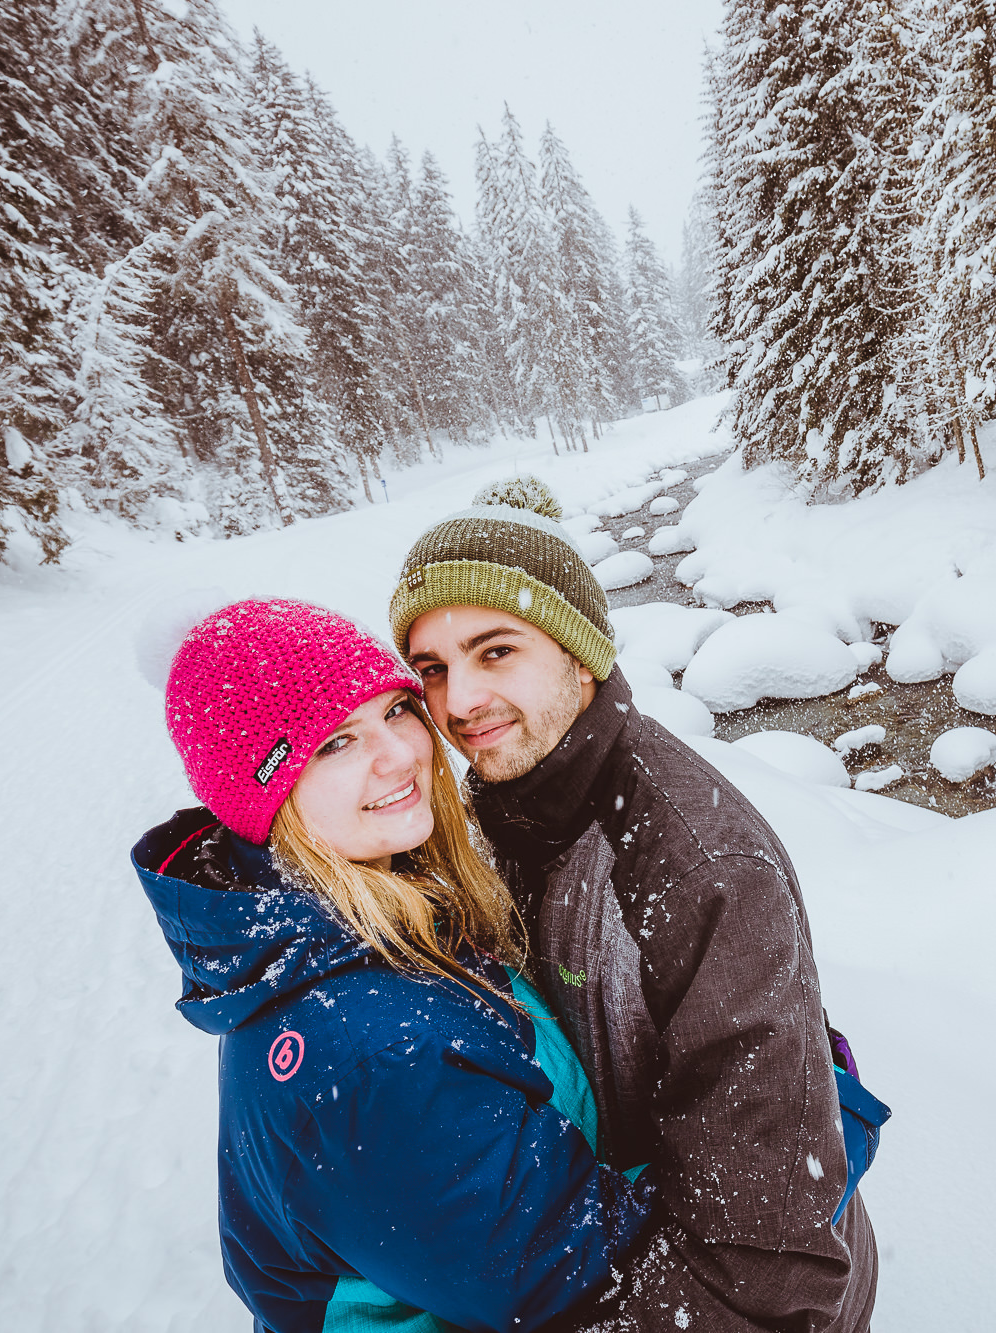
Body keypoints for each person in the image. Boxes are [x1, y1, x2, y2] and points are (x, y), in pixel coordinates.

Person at [392, 489, 886, 1333]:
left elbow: (767, 1263)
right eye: (432, 668)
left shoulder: (700, 868)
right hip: (613, 1251)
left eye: (495, 650)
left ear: (579, 655)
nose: (459, 701)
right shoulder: (498, 806)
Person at [130, 598, 653, 1333]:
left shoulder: (360, 914)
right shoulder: (374, 1053)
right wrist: (796, 1117)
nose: (401, 753)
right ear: (265, 796)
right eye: (336, 742)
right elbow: (587, 1270)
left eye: (396, 710)